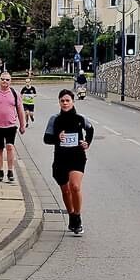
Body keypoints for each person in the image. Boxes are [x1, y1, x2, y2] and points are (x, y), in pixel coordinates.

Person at [44, 89, 94, 235]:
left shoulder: (80, 118)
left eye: (68, 100)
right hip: (60, 159)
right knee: (65, 190)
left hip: (77, 156)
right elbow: (46, 139)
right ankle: (71, 215)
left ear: (73, 101)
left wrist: (87, 142)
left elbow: (90, 129)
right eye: (62, 101)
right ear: (59, 102)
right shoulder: (54, 119)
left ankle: (77, 217)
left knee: (75, 186)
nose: (65, 103)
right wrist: (57, 138)